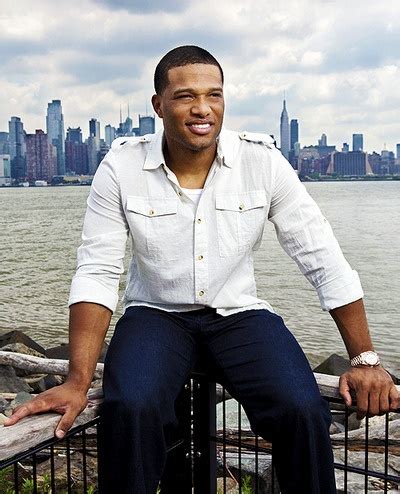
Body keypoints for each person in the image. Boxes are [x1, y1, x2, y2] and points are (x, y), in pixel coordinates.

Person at [5, 45, 399, 494]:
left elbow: (321, 256)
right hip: (155, 315)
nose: (202, 108)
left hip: (240, 315)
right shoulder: (120, 166)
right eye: (185, 95)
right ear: (158, 105)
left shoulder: (262, 161)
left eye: (214, 95)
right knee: (131, 408)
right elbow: (97, 272)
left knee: (302, 409)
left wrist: (365, 358)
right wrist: (77, 380)